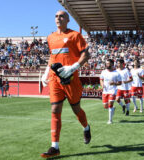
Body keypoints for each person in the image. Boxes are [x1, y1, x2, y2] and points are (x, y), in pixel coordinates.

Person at [40, 10, 91, 158]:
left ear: (68, 20)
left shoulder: (75, 35)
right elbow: (52, 56)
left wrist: (73, 67)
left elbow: (86, 54)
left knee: (76, 110)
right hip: (55, 79)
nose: (58, 18)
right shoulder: (50, 37)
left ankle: (86, 127)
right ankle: (55, 147)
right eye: (56, 16)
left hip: (71, 78)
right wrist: (46, 72)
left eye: (61, 16)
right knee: (55, 109)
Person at [100, 59, 121, 124]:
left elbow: (120, 83)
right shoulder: (103, 72)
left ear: (112, 64)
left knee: (110, 104)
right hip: (105, 91)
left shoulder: (116, 73)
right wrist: (102, 85)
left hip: (113, 90)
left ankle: (110, 120)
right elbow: (101, 80)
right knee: (105, 106)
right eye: (106, 63)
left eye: (108, 63)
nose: (107, 65)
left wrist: (114, 83)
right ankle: (113, 109)